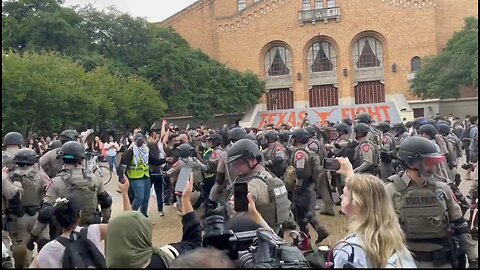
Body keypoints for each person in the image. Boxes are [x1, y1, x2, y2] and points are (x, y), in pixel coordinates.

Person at [385, 136, 478, 268]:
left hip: (441, 261)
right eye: (428, 161)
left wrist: (473, 258)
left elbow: (460, 225)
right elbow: (378, 228)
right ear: (412, 162)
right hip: (404, 261)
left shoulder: (443, 189)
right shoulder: (390, 191)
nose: (434, 166)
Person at [330, 157, 416, 268]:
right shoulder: (393, 240)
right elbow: (370, 194)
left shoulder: (349, 250)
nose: (341, 196)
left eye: (345, 195)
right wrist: (350, 174)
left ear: (357, 203)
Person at [105, 173, 202, 268]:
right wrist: (185, 199)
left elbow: (130, 224)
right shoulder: (162, 259)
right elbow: (194, 243)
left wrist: (125, 193)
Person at [30, 141, 112, 245]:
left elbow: (45, 212)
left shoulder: (56, 182)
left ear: (62, 159)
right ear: (82, 159)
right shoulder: (95, 179)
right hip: (90, 231)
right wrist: (104, 221)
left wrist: (33, 236)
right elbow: (106, 202)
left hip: (63, 234)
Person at [224, 139, 292, 234]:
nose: (235, 167)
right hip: (276, 235)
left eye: (238, 163)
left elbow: (236, 219)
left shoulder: (247, 186)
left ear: (253, 160)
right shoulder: (271, 177)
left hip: (255, 240)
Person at [29, 196, 107, 268]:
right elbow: (117, 226)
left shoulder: (48, 250)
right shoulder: (94, 231)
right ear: (79, 215)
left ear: (56, 220)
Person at [5, 149, 49, 268]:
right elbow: (49, 191)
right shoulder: (40, 175)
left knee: (21, 252)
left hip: (17, 219)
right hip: (38, 217)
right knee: (45, 247)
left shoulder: (8, 176)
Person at [290, 128, 329, 243]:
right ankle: (316, 232)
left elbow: (300, 171)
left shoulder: (300, 153)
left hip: (303, 186)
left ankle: (304, 238)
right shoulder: (308, 150)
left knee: (300, 213)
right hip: (309, 185)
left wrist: (297, 186)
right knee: (304, 212)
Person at [117, 133, 169, 217]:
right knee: (139, 197)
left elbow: (154, 161)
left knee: (146, 198)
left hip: (146, 177)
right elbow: (123, 165)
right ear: (135, 141)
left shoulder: (146, 150)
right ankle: (130, 215)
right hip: (135, 178)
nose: (140, 141)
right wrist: (122, 178)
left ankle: (143, 215)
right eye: (138, 139)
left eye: (142, 139)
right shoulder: (130, 151)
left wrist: (165, 160)